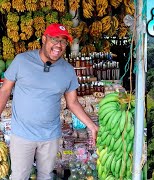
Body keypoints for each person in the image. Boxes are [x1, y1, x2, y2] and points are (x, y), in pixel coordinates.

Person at [0, 23, 99, 179]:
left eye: (63, 41)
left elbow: (72, 103)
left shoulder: (67, 70)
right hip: (22, 135)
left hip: (50, 137)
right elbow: (5, 90)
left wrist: (91, 125)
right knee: (19, 176)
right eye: (55, 39)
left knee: (46, 176)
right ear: (44, 39)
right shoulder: (22, 61)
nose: (59, 45)